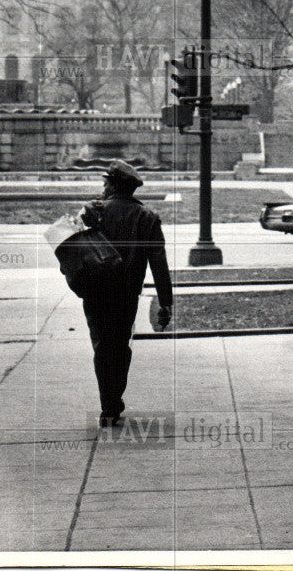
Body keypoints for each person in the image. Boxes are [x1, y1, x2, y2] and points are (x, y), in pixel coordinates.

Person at [80, 159, 173, 426]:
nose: (103, 187)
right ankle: (114, 399)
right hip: (126, 295)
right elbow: (159, 263)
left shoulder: (92, 212)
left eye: (105, 182)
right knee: (120, 346)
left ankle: (107, 403)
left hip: (95, 293)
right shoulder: (147, 218)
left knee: (101, 345)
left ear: (113, 185)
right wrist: (165, 303)